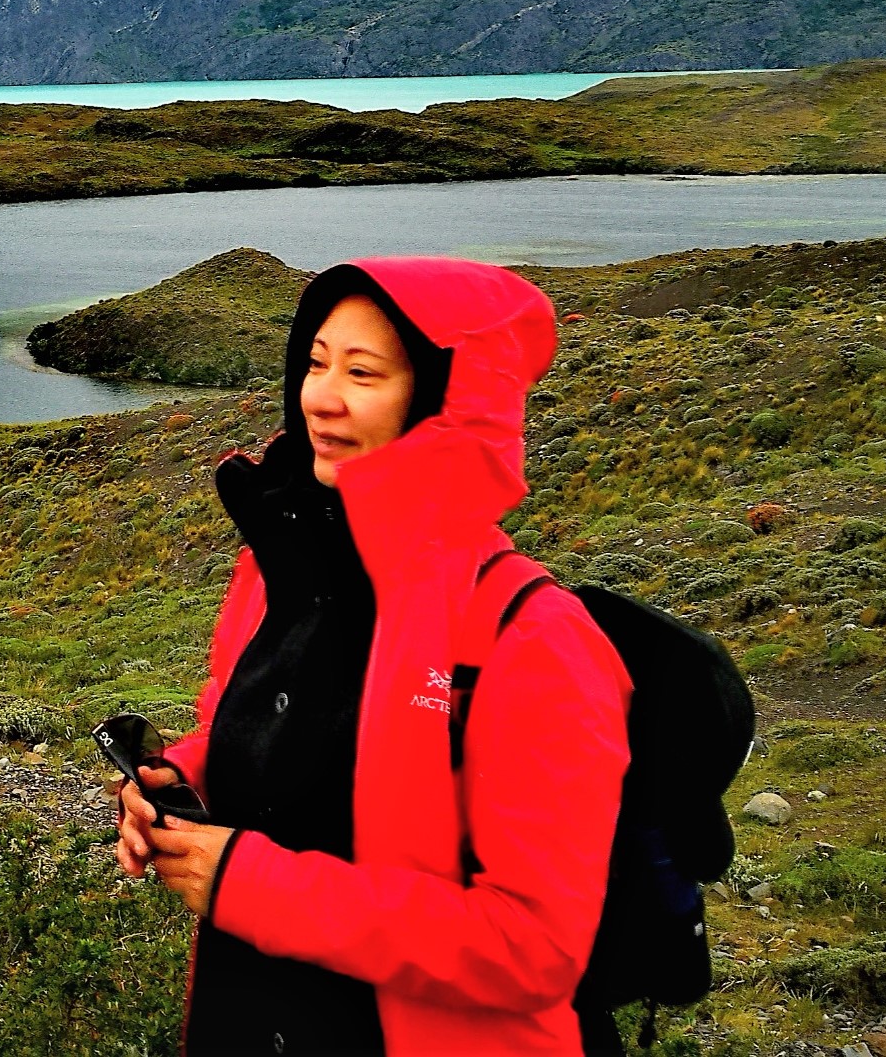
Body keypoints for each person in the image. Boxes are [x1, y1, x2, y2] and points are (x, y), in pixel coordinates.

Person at [115, 258, 633, 1055]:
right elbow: (266, 736)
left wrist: (249, 884)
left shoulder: (531, 637)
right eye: (316, 362)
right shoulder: (273, 573)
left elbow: (533, 947)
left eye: (363, 372)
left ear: (443, 401)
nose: (321, 395)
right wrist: (184, 779)